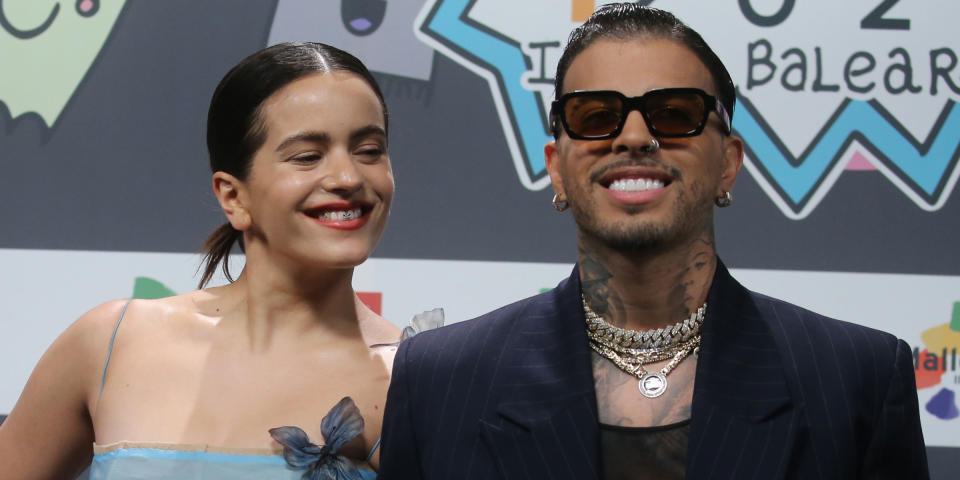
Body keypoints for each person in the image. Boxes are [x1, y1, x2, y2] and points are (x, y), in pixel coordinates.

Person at [378, 4, 929, 479]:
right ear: (557, 170)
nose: (635, 137)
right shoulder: (440, 381)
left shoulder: (857, 379)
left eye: (674, 114)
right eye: (595, 117)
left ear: (729, 164)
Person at [0, 42, 413, 479]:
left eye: (369, 150)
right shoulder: (111, 343)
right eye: (307, 156)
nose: (348, 178)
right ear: (233, 196)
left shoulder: (413, 382)